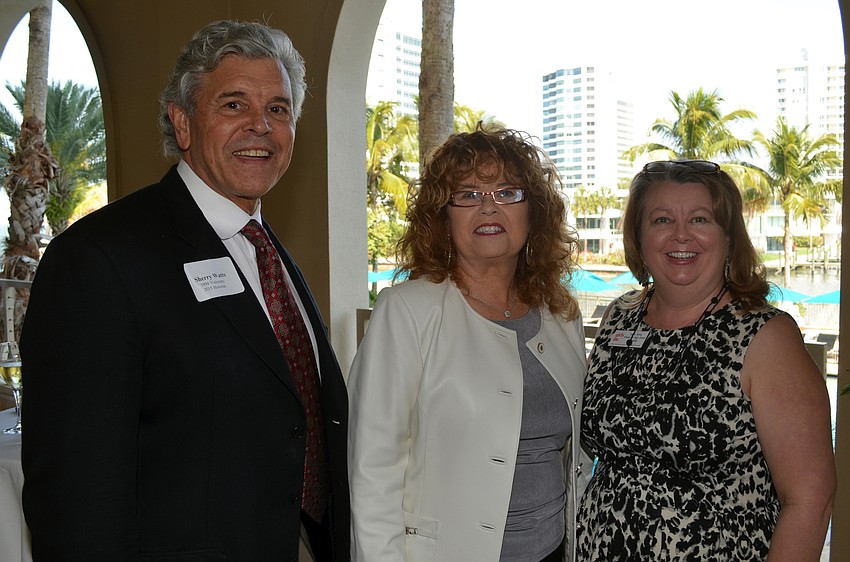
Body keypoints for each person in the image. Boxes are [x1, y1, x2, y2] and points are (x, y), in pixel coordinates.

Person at [20, 20, 350, 561]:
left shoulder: (268, 253)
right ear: (183, 122)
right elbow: (76, 498)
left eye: (278, 109)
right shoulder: (99, 260)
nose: (261, 127)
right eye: (234, 105)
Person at [348, 127, 592, 561]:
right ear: (444, 217)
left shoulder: (562, 315)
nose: (488, 206)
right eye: (467, 194)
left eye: (506, 192)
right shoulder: (407, 312)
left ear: (533, 212)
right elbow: (373, 474)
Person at [577, 160, 836, 561]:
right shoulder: (618, 317)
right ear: (639, 237)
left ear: (729, 237)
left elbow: (810, 500)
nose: (681, 234)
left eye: (701, 218)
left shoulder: (766, 338)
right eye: (662, 220)